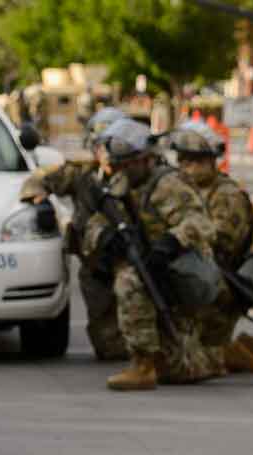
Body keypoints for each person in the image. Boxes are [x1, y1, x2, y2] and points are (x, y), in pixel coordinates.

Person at [94, 120, 222, 393]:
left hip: (178, 271)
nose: (122, 170)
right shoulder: (120, 184)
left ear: (146, 160)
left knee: (130, 280)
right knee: (178, 368)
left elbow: (202, 223)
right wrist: (103, 237)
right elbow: (96, 220)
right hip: (151, 269)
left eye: (128, 164)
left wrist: (171, 241)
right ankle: (147, 361)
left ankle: (143, 366)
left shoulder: (168, 184)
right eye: (119, 165)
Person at [18, 106, 129, 361]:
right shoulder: (82, 173)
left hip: (133, 260)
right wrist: (36, 192)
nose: (107, 154)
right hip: (97, 265)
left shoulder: (139, 175)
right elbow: (40, 179)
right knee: (109, 347)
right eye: (102, 146)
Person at [168, 127, 253, 384]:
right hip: (195, 280)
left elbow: (219, 242)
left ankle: (230, 355)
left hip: (219, 286)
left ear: (212, 160)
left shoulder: (226, 194)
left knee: (181, 367)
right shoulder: (182, 190)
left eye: (198, 160)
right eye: (184, 160)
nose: (189, 167)